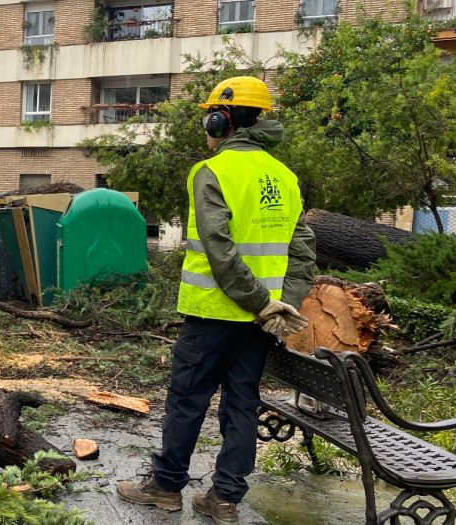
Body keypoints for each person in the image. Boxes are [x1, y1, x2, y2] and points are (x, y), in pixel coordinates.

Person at [116, 76, 316, 524]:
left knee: (188, 398)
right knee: (242, 402)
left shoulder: (211, 172)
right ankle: (224, 498)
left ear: (220, 119)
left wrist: (261, 303)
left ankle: (166, 487)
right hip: (262, 322)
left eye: (209, 117)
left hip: (214, 314)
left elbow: (218, 248)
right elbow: (303, 249)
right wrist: (282, 306)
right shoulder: (284, 176)